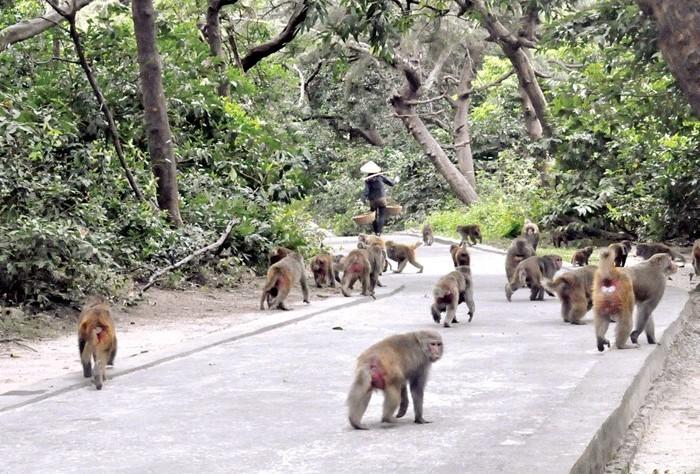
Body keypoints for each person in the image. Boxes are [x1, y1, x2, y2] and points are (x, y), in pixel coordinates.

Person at [360, 161, 396, 236]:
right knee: (382, 215)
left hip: (372, 200)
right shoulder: (380, 177)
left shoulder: (367, 180)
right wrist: (396, 180)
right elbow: (391, 183)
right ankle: (379, 232)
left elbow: (366, 191)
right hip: (381, 199)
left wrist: (363, 199)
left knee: (373, 216)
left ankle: (376, 232)